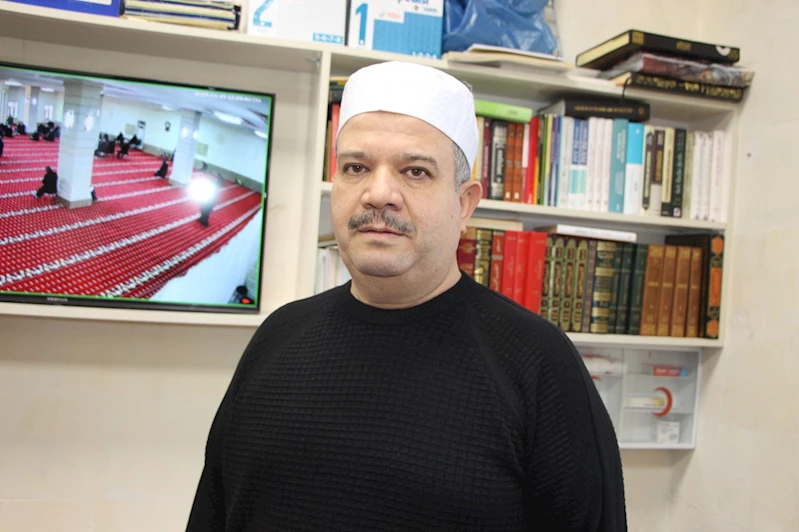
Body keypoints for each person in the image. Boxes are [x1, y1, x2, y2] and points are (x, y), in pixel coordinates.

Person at [185, 62, 627, 532]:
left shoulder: (538, 364)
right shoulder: (278, 336)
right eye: (356, 168)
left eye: (415, 171)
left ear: (465, 204)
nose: (379, 194)